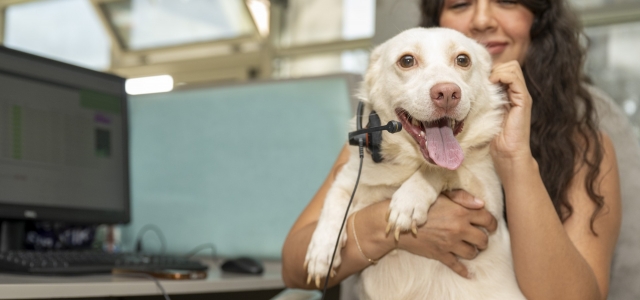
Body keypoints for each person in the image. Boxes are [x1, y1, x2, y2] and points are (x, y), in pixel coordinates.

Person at [281, 0, 622, 299]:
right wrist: (390, 228)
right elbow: (296, 270)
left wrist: (516, 160)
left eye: (461, 60)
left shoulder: (584, 147)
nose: (483, 20)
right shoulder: (373, 140)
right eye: (460, 4)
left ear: (538, 17)